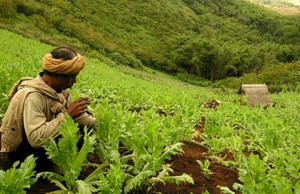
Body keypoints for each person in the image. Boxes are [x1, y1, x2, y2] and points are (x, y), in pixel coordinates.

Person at [0, 47, 96, 171]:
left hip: (45, 144)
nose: (75, 81)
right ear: (56, 75)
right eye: (71, 77)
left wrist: (96, 124)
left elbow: (78, 116)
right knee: (70, 137)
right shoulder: (33, 96)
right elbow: (35, 139)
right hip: (26, 154)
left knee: (81, 135)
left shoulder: (63, 91)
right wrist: (67, 116)